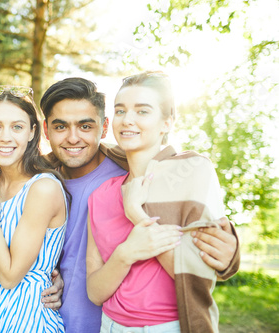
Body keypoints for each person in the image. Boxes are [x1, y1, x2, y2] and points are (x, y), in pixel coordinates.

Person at [39, 77, 240, 333]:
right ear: (46, 130)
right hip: (70, 321)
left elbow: (202, 250)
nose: (73, 137)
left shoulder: (174, 169)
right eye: (121, 109)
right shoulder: (47, 178)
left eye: (85, 125)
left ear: (103, 127)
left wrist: (231, 254)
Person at [0, 86, 68, 332]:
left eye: (17, 127)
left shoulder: (43, 189)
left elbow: (9, 276)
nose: (6, 136)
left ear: (32, 132)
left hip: (26, 316)